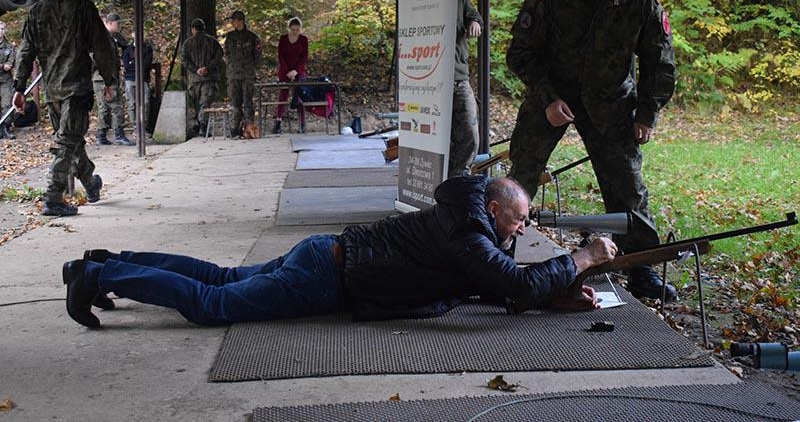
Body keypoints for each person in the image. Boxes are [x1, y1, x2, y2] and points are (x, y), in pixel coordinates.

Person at [61, 175, 618, 328]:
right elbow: (512, 281)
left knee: (220, 275)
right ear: (496, 211)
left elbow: (497, 284)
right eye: (520, 220)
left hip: (326, 255)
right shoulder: (470, 234)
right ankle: (98, 275)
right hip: (327, 275)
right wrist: (586, 257)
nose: (523, 231)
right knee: (213, 304)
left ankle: (104, 263)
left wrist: (555, 298)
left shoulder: (469, 216)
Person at [506, 0, 677, 301]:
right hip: (552, 94)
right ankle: (496, 254)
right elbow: (519, 52)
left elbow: (659, 59)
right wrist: (548, 98)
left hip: (612, 100)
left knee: (627, 185)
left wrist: (648, 112)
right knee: (520, 177)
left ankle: (639, 267)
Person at [12, 0, 118, 217]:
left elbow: (25, 52)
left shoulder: (37, 11)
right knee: (67, 143)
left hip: (53, 92)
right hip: (77, 88)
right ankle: (53, 197)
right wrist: (110, 80)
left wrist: (19, 87)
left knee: (70, 142)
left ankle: (91, 184)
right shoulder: (84, 9)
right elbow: (103, 47)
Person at [448, 0, 483, 177]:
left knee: (469, 133)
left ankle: (458, 180)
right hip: (428, 78)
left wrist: (475, 22)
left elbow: (474, 15)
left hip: (458, 76)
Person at [93, 13, 133, 146]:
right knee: (115, 106)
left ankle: (101, 134)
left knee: (104, 107)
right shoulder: (102, 38)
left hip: (105, 76)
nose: (120, 26)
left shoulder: (110, 37)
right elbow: (98, 59)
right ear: (110, 23)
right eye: (118, 24)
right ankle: (118, 134)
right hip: (104, 77)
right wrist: (106, 79)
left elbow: (125, 44)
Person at [181, 18, 223, 135]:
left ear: (193, 29)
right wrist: (207, 68)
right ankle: (203, 125)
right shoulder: (213, 42)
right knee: (205, 102)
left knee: (196, 103)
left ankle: (200, 124)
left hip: (194, 79)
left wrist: (196, 70)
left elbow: (184, 60)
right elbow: (219, 57)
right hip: (210, 78)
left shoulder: (187, 43)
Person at [223, 10, 261, 138]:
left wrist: (251, 68)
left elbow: (257, 56)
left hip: (247, 74)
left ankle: (249, 128)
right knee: (235, 103)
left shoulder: (252, 37)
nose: (232, 23)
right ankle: (235, 128)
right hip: (233, 74)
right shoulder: (230, 37)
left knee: (248, 101)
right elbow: (226, 54)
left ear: (241, 21)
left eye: (234, 20)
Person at [273, 16, 307, 134]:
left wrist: (296, 71)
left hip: (298, 70)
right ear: (289, 29)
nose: (295, 32)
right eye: (293, 30)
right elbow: (280, 56)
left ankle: (302, 124)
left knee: (299, 95)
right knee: (283, 94)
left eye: (297, 30)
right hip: (285, 70)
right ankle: (278, 121)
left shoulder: (303, 40)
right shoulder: (283, 39)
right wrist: (288, 71)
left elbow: (304, 57)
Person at [121, 36, 154, 133]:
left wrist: (133, 63)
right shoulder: (128, 50)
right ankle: (135, 125)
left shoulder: (147, 49)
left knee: (146, 102)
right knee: (132, 103)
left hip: (143, 78)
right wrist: (137, 64)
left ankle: (144, 125)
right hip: (130, 79)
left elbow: (146, 64)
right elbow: (127, 65)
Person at [0, 21, 17, 139]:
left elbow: (10, 63)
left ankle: (5, 127)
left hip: (6, 79)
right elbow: (5, 66)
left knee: (7, 103)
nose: (0, 31)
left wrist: (6, 65)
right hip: (3, 72)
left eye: (2, 29)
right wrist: (2, 66)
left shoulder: (9, 47)